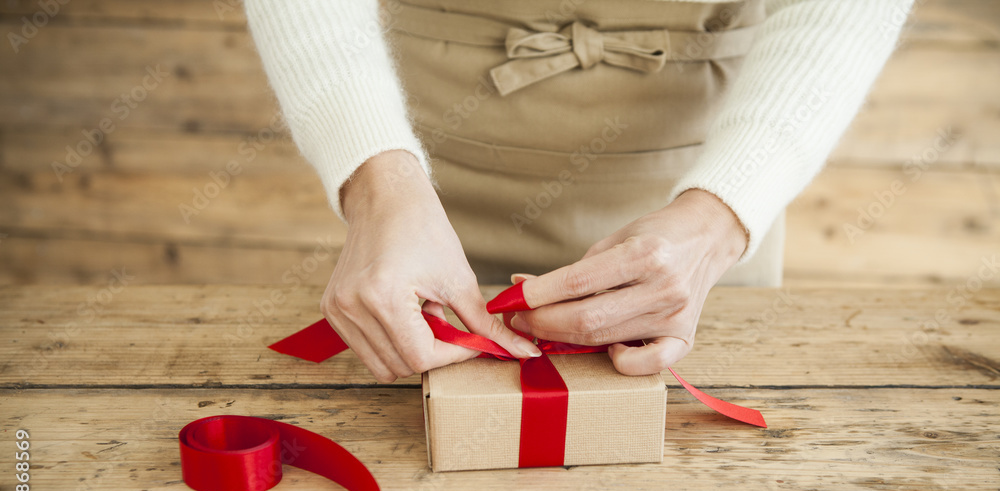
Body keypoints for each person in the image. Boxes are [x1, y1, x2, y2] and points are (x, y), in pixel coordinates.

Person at [245, 0, 911, 383]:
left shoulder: (713, 224)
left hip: (703, 186)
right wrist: (375, 180)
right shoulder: (391, 181)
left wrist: (721, 215)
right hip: (423, 176)